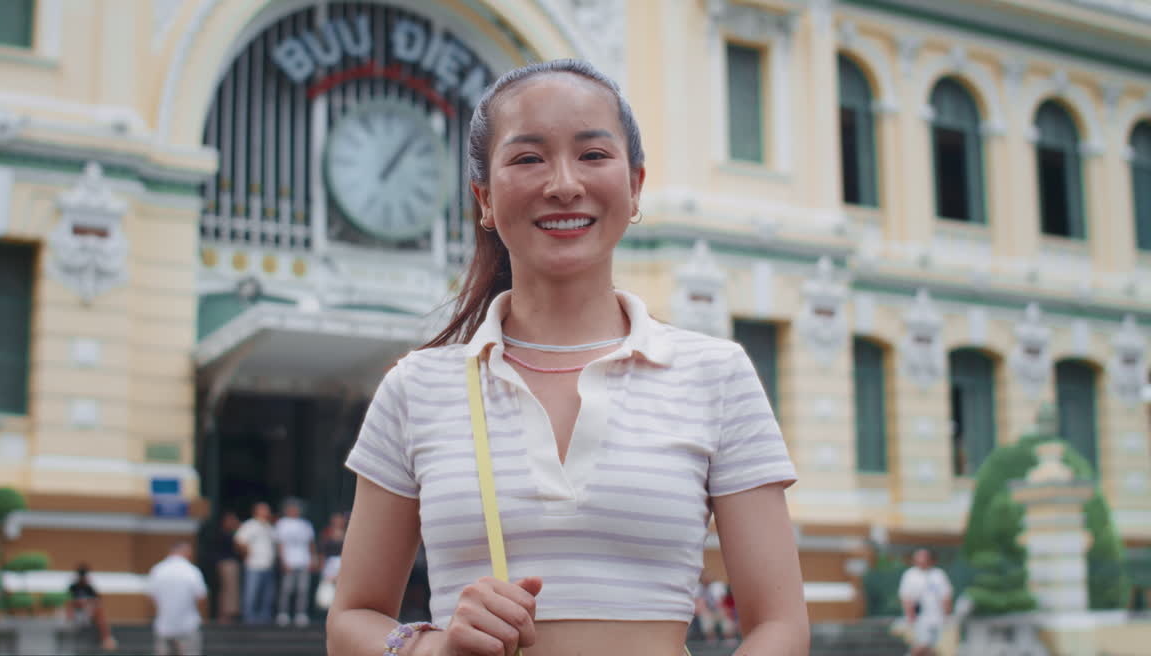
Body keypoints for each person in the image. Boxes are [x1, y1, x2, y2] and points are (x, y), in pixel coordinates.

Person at [327, 59, 809, 656]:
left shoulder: (716, 374)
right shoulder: (416, 387)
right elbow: (352, 619)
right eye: (528, 158)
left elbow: (779, 625)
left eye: (592, 155)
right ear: (484, 196)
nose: (563, 184)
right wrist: (434, 647)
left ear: (635, 185)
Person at [147, 542, 208, 656]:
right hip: (188, 625)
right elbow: (201, 597)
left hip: (163, 625)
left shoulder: (158, 570)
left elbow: (151, 598)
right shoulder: (192, 571)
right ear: (186, 552)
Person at [898, 548, 953, 656]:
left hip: (937, 617)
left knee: (932, 648)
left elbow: (946, 596)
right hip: (920, 618)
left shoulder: (938, 574)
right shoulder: (910, 575)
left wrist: (947, 615)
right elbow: (906, 598)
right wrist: (910, 616)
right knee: (921, 645)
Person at [275, 498, 317, 627]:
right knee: (287, 589)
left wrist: (313, 559)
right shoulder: (282, 523)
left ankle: (300, 613)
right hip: (289, 561)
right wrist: (283, 560)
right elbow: (280, 544)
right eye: (291, 508)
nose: (294, 510)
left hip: (303, 560)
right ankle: (283, 613)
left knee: (302, 590)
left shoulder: (305, 524)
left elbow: (311, 543)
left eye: (296, 508)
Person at [235, 501, 277, 625]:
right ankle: (249, 617)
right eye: (264, 510)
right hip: (254, 565)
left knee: (267, 594)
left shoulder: (269, 527)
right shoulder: (250, 525)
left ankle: (264, 617)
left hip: (268, 565)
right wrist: (246, 554)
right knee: (251, 592)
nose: (267, 512)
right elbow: (239, 541)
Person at [67, 564, 117, 651]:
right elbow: (68, 602)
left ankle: (106, 638)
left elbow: (97, 601)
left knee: (100, 612)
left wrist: (87, 603)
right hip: (76, 614)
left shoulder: (89, 588)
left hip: (89, 613)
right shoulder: (73, 587)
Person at [212, 511, 242, 624]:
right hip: (226, 563)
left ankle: (229, 614)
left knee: (230, 590)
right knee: (227, 589)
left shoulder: (230, 533)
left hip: (229, 563)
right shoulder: (225, 534)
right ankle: (225, 615)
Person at [693, 574, 727, 643]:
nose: (706, 580)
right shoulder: (697, 588)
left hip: (717, 609)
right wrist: (705, 610)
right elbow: (698, 604)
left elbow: (722, 602)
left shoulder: (718, 586)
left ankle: (729, 638)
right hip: (705, 610)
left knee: (725, 614)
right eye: (704, 578)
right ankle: (711, 639)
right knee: (705, 616)